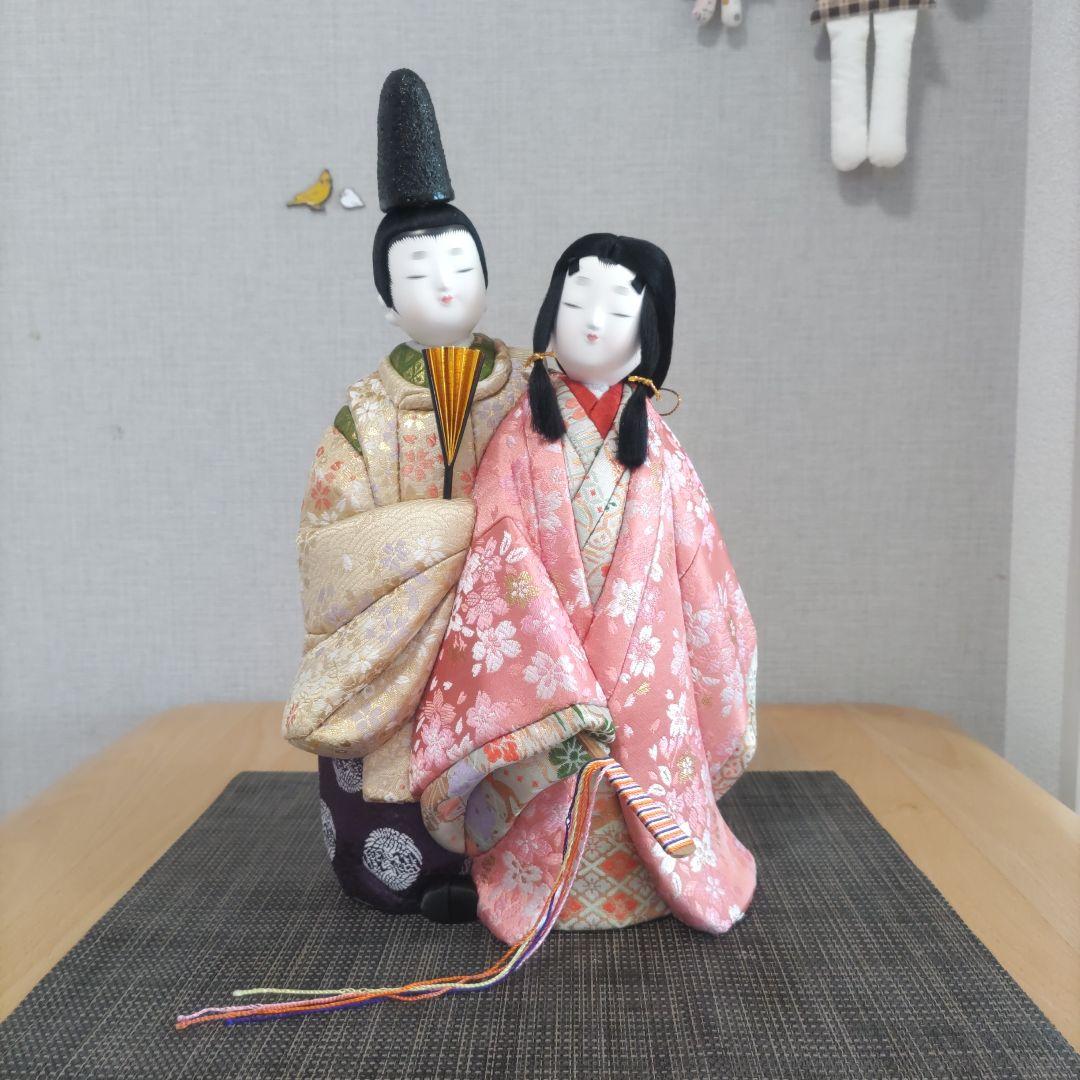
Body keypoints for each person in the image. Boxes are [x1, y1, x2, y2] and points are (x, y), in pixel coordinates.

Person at [411, 233, 759, 942]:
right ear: (550, 314)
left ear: (650, 333)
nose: (592, 323)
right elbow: (497, 563)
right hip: (546, 681)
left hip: (648, 675)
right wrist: (563, 686)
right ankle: (535, 879)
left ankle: (652, 876)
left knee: (641, 773)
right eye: (575, 304)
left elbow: (701, 571)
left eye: (617, 310)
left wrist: (717, 652)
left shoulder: (662, 452)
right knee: (557, 767)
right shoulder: (518, 439)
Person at [282, 69, 528, 922]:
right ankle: (404, 877)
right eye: (419, 273)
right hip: (399, 636)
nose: (446, 284)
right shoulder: (365, 417)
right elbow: (328, 539)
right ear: (389, 304)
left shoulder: (528, 394)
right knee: (394, 761)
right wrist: (442, 540)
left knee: (514, 745)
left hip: (503, 624)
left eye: (462, 264)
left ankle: (515, 870)